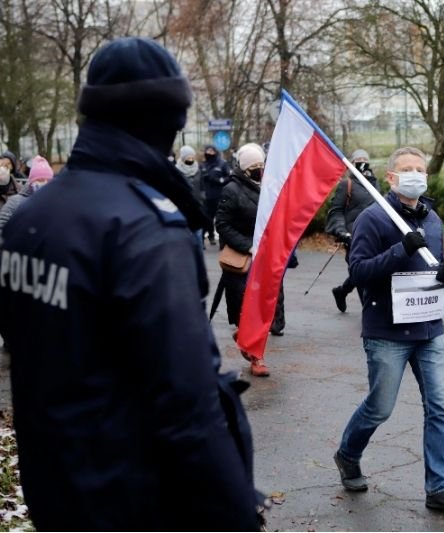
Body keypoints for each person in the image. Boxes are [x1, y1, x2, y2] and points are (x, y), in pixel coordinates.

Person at [0, 37, 260, 530]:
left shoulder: (30, 216)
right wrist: (235, 511)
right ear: (169, 117)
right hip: (133, 496)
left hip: (57, 484)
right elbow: (189, 402)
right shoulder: (143, 229)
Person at [333, 147, 444, 516]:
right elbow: (359, 271)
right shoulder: (373, 218)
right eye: (407, 170)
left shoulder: (431, 219)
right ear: (391, 178)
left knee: (441, 409)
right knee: (380, 408)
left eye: (421, 169)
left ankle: (439, 489)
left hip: (430, 330)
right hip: (387, 333)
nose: (416, 175)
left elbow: (435, 264)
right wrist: (399, 250)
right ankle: (348, 454)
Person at [216, 143, 271, 377]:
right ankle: (255, 355)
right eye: (255, 166)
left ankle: (253, 348)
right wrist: (248, 246)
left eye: (262, 165)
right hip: (242, 259)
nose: (259, 169)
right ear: (245, 168)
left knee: (263, 307)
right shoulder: (231, 190)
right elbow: (223, 225)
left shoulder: (269, 186)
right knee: (245, 308)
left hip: (265, 258)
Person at [326, 148, 377, 312]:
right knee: (361, 272)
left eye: (365, 159)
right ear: (351, 164)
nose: (362, 162)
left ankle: (341, 291)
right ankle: (370, 311)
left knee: (368, 271)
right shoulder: (345, 184)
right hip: (353, 237)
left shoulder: (374, 183)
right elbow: (336, 210)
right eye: (358, 160)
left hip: (374, 235)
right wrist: (341, 231)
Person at [0, 156, 54, 236]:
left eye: (48, 181)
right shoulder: (15, 202)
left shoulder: (56, 203)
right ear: (31, 182)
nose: (45, 183)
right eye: (40, 180)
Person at [175, 145, 205, 246]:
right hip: (183, 207)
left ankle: (199, 257)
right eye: (188, 157)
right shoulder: (176, 171)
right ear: (183, 158)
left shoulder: (198, 169)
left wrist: (202, 198)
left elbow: (202, 186)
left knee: (198, 236)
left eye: (192, 157)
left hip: (197, 206)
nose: (191, 159)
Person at [201, 144, 231, 245]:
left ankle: (223, 240)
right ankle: (211, 236)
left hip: (219, 196)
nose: (209, 153)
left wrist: (220, 180)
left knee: (221, 219)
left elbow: (229, 177)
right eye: (207, 151)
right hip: (207, 197)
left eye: (211, 151)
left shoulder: (222, 164)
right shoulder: (203, 165)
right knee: (207, 218)